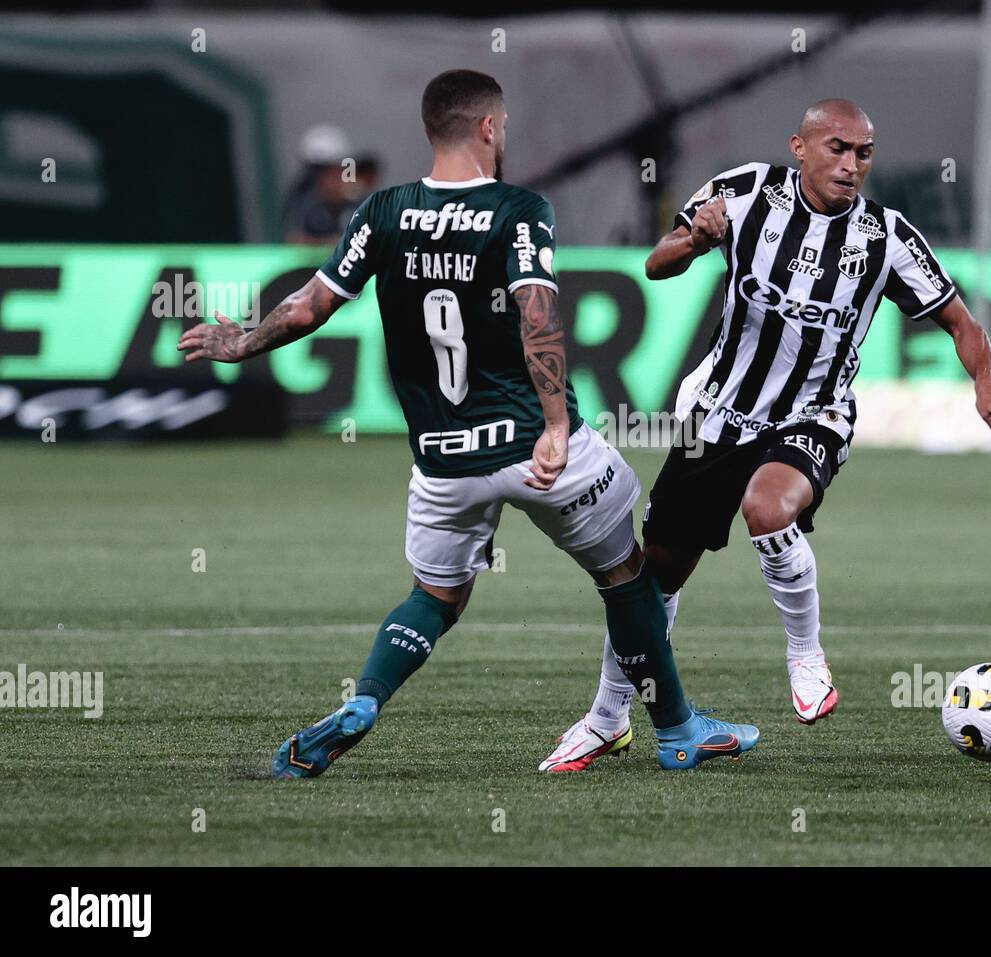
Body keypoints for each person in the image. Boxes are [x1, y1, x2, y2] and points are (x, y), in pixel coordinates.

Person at [178, 69, 759, 776]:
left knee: (435, 595)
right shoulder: (519, 208)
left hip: (443, 461)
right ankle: (677, 730)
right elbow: (536, 313)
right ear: (488, 127)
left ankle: (365, 697)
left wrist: (238, 340)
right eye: (504, 125)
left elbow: (308, 306)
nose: (505, 135)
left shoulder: (382, 211)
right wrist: (553, 424)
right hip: (533, 444)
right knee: (625, 574)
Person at [540, 98, 991, 772]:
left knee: (768, 505)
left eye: (863, 153)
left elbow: (961, 320)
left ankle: (806, 653)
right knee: (652, 577)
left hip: (815, 413)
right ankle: (608, 717)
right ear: (799, 147)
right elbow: (657, 265)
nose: (851, 164)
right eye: (837, 148)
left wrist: (985, 381)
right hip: (719, 412)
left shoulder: (886, 237)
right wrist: (693, 239)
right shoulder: (743, 192)